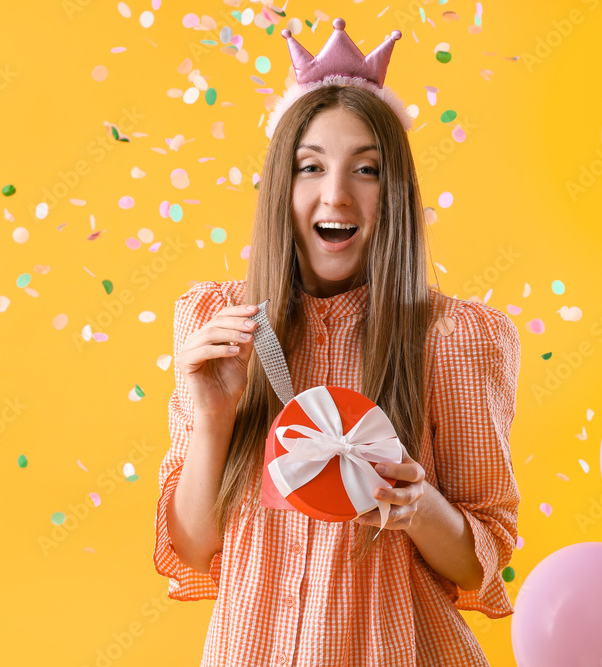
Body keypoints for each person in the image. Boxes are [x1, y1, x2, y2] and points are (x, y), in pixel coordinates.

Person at [153, 18, 521, 667]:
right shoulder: (219, 324)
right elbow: (194, 546)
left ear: (395, 192)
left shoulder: (453, 339)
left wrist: (418, 506)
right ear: (281, 185)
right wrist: (213, 419)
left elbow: (477, 560)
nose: (336, 194)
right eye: (310, 167)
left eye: (367, 170)